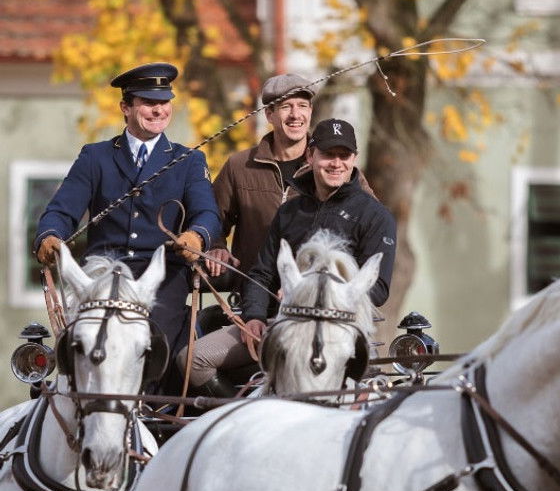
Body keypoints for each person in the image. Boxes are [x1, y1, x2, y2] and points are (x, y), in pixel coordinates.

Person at [177, 118, 396, 396]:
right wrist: (253, 317)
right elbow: (262, 272)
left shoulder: (376, 216)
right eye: (328, 155)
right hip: (274, 323)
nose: (336, 163)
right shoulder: (290, 212)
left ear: (354, 159)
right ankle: (238, 421)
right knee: (191, 359)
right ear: (310, 155)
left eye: (344, 156)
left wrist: (309, 296)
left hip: (338, 331)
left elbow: (378, 289)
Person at [34, 62, 221, 371]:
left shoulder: (188, 160)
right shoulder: (95, 156)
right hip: (102, 273)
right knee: (85, 343)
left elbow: (207, 212)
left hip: (160, 276)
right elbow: (61, 209)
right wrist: (49, 234)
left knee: (148, 345)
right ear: (126, 107)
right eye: (149, 102)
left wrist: (196, 235)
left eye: (164, 103)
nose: (159, 110)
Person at [203, 72, 373, 286]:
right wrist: (216, 246)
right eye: (286, 107)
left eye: (302, 105)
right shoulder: (240, 166)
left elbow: (372, 225)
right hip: (253, 295)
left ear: (310, 111)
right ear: (269, 114)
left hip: (318, 300)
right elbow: (211, 217)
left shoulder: (336, 169)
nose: (295, 115)